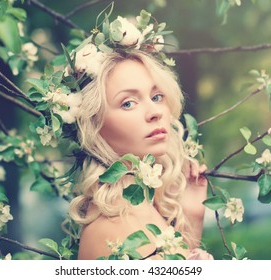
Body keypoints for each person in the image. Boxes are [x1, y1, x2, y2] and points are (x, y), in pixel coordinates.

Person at [68, 49, 213, 260]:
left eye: (156, 96)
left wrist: (192, 217)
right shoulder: (110, 228)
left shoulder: (136, 207)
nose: (155, 111)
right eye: (128, 103)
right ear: (94, 124)